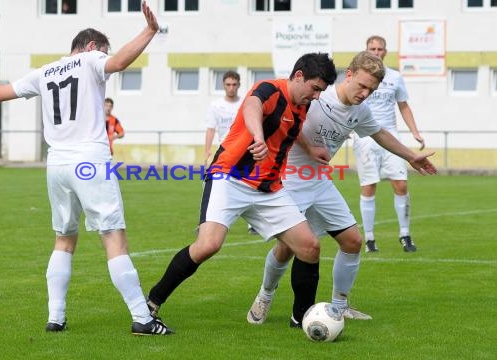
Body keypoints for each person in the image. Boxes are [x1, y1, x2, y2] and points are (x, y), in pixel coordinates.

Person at [0, 1, 172, 336]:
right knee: (113, 237)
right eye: (103, 50)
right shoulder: (91, 59)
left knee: (64, 239)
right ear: (91, 47)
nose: (104, 57)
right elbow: (117, 62)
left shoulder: (44, 72)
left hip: (56, 163)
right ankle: (142, 319)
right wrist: (149, 31)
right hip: (89, 161)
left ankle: (55, 317)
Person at [246, 51, 438, 328]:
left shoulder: (361, 110)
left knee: (352, 241)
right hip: (289, 179)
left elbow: (380, 133)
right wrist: (309, 147)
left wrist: (410, 156)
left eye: (371, 89)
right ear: (348, 74)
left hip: (320, 182)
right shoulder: (318, 96)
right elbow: (286, 117)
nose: (364, 93)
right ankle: (265, 295)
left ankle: (338, 306)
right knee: (287, 248)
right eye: (361, 85)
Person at [146, 53, 338, 329]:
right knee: (208, 245)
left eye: (321, 91)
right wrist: (258, 137)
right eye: (315, 88)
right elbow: (251, 106)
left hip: (268, 188)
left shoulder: (301, 105)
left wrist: (311, 149)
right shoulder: (270, 89)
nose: (317, 96)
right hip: (230, 177)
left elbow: (292, 133)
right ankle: (151, 302)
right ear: (298, 76)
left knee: (310, 247)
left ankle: (303, 319)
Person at [354, 35, 426, 253]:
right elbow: (348, 103)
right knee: (368, 187)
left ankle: (405, 234)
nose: (376, 52)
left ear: (385, 52)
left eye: (380, 48)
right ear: (366, 50)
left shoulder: (395, 77)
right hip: (365, 138)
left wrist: (415, 132)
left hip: (391, 137)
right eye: (372, 48)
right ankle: (369, 238)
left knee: (401, 184)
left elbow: (403, 106)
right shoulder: (358, 77)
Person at [204, 70, 257, 235]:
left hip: (245, 151)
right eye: (228, 84)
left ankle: (253, 224)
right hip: (225, 152)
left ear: (239, 85)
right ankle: (205, 223)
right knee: (211, 185)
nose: (231, 88)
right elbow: (211, 129)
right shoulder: (216, 106)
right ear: (223, 85)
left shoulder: (247, 103)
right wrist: (207, 151)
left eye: (234, 84)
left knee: (250, 185)